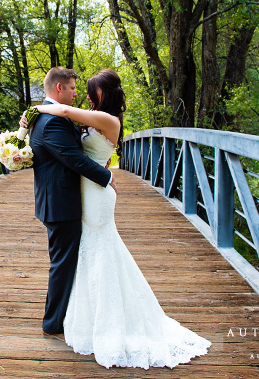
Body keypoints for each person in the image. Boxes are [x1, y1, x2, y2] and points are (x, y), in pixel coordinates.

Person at [24, 69, 211, 369]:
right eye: (75, 88)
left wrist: (34, 111)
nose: (82, 94)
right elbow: (68, 135)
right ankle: (76, 315)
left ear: (104, 94)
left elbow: (66, 116)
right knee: (82, 256)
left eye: (88, 91)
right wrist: (31, 118)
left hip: (95, 195)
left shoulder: (107, 120)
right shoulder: (83, 117)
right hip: (77, 194)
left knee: (97, 251)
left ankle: (80, 320)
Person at [27, 66, 117, 336]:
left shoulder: (50, 116)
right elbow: (74, 159)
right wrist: (106, 175)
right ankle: (53, 323)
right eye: (73, 88)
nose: (77, 93)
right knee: (63, 264)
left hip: (63, 200)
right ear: (59, 88)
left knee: (68, 260)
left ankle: (69, 315)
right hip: (61, 203)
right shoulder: (53, 119)